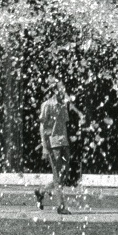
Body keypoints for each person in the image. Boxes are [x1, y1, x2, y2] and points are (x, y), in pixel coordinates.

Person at [35, 76, 86, 214]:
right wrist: (45, 147)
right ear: (55, 90)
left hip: (64, 143)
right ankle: (61, 206)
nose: (64, 91)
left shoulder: (63, 105)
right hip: (53, 145)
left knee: (63, 175)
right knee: (58, 176)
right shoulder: (47, 105)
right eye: (61, 88)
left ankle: (41, 191)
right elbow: (42, 127)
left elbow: (63, 124)